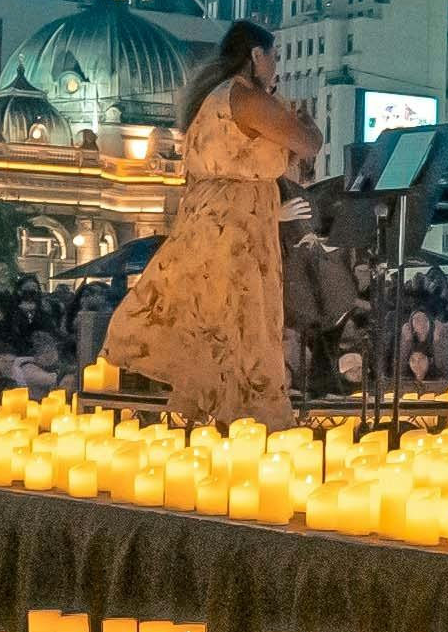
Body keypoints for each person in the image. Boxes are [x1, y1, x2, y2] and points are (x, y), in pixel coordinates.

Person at [96, 25, 318, 426]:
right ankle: (246, 424)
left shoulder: (212, 99)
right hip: (237, 234)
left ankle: (213, 423)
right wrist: (308, 122)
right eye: (274, 57)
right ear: (256, 56)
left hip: (213, 223)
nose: (276, 67)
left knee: (217, 326)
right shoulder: (246, 98)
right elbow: (308, 144)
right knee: (243, 327)